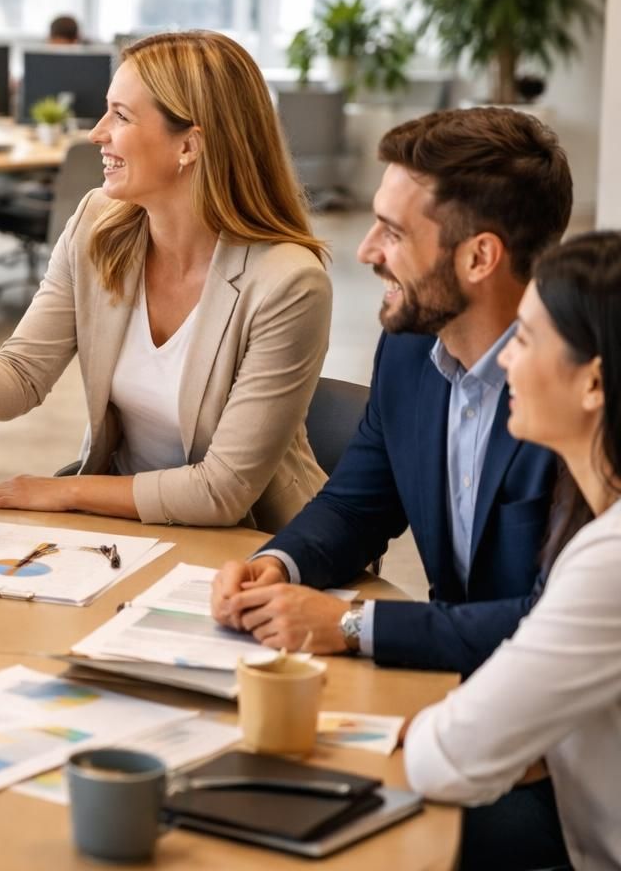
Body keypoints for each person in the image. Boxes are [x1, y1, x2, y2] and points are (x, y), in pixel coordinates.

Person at [208, 107, 574, 871]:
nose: (366, 251)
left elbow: (556, 621)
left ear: (480, 257)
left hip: (562, 761)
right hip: (452, 705)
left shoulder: (571, 399)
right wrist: (279, 565)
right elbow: (356, 503)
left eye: (394, 232)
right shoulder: (412, 348)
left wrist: (348, 625)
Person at [0, 30, 331, 531]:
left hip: (251, 539)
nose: (96, 133)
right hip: (124, 522)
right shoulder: (99, 223)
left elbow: (221, 491)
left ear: (189, 145)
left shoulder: (288, 283)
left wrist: (65, 492)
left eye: (121, 116)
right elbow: (22, 374)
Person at [405, 231, 621, 871]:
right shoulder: (585, 514)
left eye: (523, 340)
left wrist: (433, 731)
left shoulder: (608, 559)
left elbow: (445, 761)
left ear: (593, 384)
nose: (502, 363)